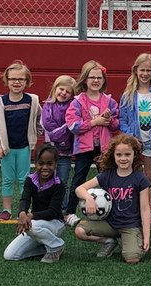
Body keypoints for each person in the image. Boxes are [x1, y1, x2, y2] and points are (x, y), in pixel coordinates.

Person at [74, 132, 151, 264]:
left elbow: (145, 209)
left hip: (130, 225)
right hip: (109, 223)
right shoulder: (106, 175)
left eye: (127, 154)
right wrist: (88, 198)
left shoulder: (140, 178)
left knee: (132, 259)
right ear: (113, 155)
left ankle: (132, 240)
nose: (123, 158)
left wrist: (147, 237)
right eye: (119, 155)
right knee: (79, 231)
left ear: (135, 155)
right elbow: (79, 189)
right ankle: (109, 242)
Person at [0, 60, 41, 221]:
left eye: (21, 79)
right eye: (13, 79)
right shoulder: (0, 102)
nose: (17, 82)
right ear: (6, 81)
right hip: (7, 148)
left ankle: (23, 208)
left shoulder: (31, 101)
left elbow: (40, 118)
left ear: (27, 82)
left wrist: (37, 132)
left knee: (24, 178)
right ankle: (6, 209)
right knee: (7, 178)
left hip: (24, 147)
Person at [65, 61, 120, 203]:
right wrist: (95, 122)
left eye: (99, 78)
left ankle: (111, 209)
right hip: (84, 148)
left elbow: (116, 125)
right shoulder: (77, 101)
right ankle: (69, 212)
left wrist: (109, 120)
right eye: (92, 77)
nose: (96, 80)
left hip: (104, 149)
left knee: (107, 178)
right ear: (85, 79)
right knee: (79, 178)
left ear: (103, 80)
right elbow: (73, 125)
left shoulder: (110, 101)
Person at [3, 143, 67, 263]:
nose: (45, 167)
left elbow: (52, 212)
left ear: (55, 164)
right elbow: (25, 199)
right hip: (34, 224)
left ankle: (57, 245)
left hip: (54, 223)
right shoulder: (30, 180)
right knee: (10, 255)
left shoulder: (59, 185)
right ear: (36, 163)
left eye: (49, 163)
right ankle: (46, 248)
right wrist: (22, 213)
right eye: (41, 163)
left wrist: (30, 216)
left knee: (32, 226)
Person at [118, 53, 151, 183]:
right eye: (142, 70)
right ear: (136, 70)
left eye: (148, 70)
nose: (145, 74)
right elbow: (122, 120)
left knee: (148, 176)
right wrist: (131, 136)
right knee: (132, 175)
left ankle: (149, 204)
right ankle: (134, 202)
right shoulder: (128, 95)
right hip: (133, 141)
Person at [42, 74, 77, 220]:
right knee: (46, 179)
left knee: (62, 180)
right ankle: (45, 207)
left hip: (66, 153)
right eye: (61, 89)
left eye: (67, 91)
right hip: (50, 152)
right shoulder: (48, 105)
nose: (63, 93)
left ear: (72, 94)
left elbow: (74, 126)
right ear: (55, 88)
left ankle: (62, 209)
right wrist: (65, 129)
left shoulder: (73, 107)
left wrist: (64, 134)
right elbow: (49, 127)